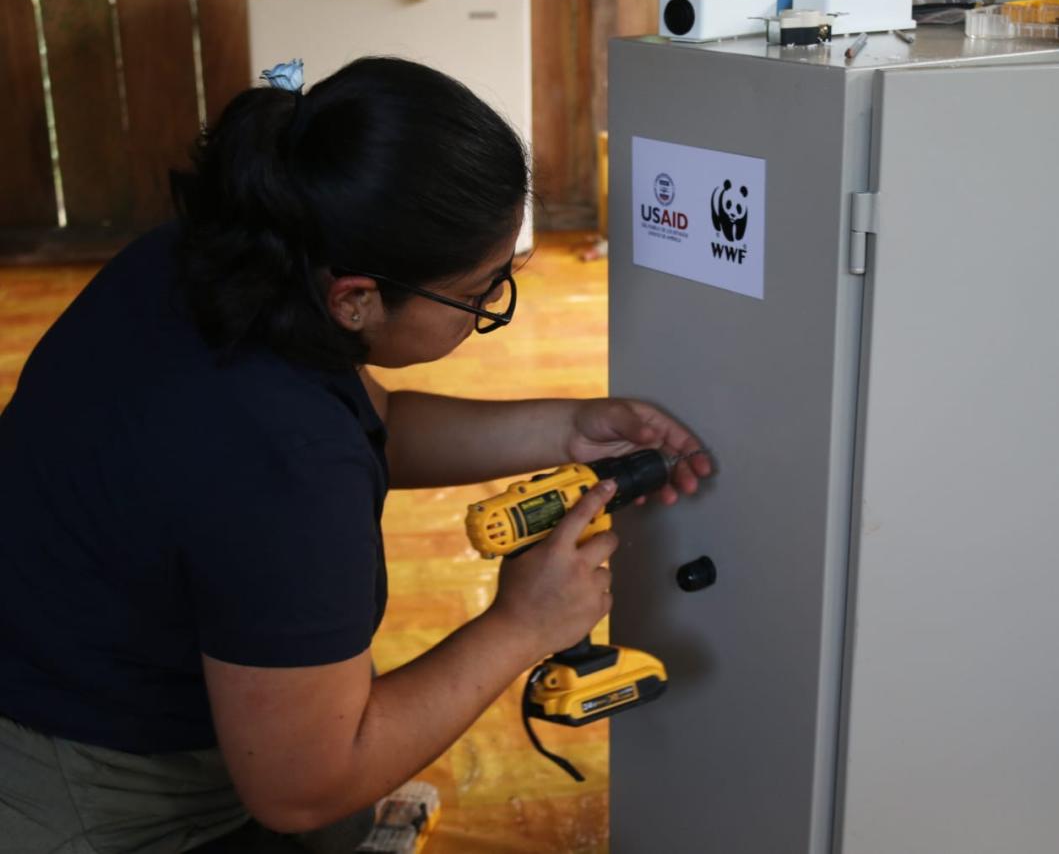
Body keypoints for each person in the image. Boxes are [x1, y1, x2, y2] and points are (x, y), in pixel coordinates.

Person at [0, 56, 711, 852]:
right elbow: (300, 791)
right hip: (71, 778)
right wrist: (521, 626)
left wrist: (570, 426)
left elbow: (375, 422)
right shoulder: (281, 461)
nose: (490, 308)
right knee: (331, 803)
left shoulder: (221, 259)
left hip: (64, 650)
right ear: (356, 298)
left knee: (346, 784)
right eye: (480, 292)